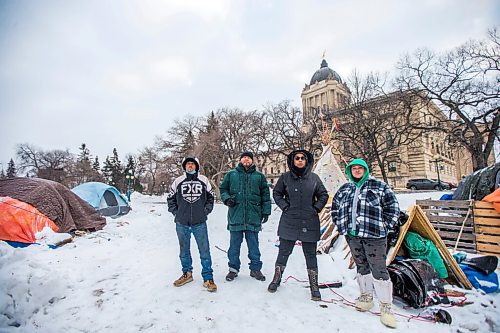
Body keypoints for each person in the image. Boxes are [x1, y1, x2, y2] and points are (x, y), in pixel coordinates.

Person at [331, 158, 400, 328]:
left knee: (379, 269)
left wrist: (385, 225)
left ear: (365, 170)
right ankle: (366, 297)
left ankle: (386, 307)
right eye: (353, 168)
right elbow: (335, 207)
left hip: (374, 235)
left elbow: (393, 208)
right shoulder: (345, 189)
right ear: (349, 171)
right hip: (353, 235)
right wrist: (340, 224)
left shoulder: (379, 186)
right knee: (361, 266)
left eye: (359, 168)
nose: (356, 171)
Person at [268, 149, 328, 301]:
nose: (300, 160)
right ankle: (276, 279)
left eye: (303, 158)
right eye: (297, 158)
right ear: (292, 161)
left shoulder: (314, 178)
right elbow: (277, 194)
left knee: (310, 255)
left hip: (309, 220)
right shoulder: (285, 177)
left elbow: (323, 195)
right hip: (290, 220)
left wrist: (316, 208)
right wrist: (285, 206)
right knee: (283, 252)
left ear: (307, 161)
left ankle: (314, 286)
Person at [219, 151, 272, 282]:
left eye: (249, 158)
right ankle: (233, 269)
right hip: (236, 215)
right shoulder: (231, 174)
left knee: (254, 246)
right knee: (234, 245)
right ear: (240, 160)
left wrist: (266, 211)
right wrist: (226, 199)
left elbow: (265, 195)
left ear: (252, 161)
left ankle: (255, 269)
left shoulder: (259, 176)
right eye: (244, 158)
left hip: (253, 216)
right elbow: (223, 189)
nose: (246, 160)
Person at [167, 157, 217, 292]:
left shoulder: (204, 180)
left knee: (204, 250)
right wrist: (176, 213)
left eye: (192, 164)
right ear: (184, 166)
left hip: (199, 222)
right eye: (188, 164)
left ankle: (208, 278)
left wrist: (205, 211)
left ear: (196, 166)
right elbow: (170, 199)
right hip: (181, 223)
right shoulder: (177, 181)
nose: (190, 166)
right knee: (184, 251)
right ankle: (187, 273)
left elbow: (211, 198)